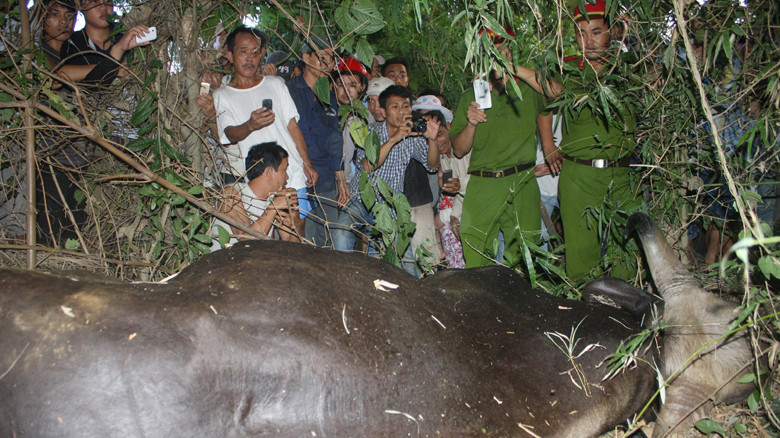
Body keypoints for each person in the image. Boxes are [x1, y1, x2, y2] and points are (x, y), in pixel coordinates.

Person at [514, 0, 641, 280]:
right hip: (579, 175)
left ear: (615, 31)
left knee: (628, 251)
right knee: (582, 256)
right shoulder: (570, 70)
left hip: (623, 176)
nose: (589, 41)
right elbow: (551, 98)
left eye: (596, 32)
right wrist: (548, 145)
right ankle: (583, 314)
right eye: (581, 34)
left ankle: (628, 313)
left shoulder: (631, 70)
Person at [450, 28, 549, 268]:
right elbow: (459, 150)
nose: (494, 55)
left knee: (524, 253)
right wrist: (472, 122)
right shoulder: (470, 96)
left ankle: (519, 302)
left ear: (511, 51)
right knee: (473, 245)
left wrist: (513, 71)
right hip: (483, 184)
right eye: (487, 50)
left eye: (500, 48)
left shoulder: (528, 89)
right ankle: (482, 303)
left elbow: (557, 92)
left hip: (521, 182)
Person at [213, 25, 316, 238]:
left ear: (262, 55)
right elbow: (228, 135)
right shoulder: (222, 95)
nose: (250, 58)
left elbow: (292, 126)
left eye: (255, 52)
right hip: (258, 183)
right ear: (229, 55)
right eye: (243, 51)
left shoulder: (276, 84)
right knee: (257, 242)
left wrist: (307, 164)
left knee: (294, 240)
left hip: (290, 174)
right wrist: (250, 124)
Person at [333, 85, 441, 274]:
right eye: (395, 106)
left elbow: (432, 165)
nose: (402, 112)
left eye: (406, 106)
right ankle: (343, 277)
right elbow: (367, 165)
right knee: (341, 232)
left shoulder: (413, 136)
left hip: (389, 209)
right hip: (361, 200)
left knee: (403, 261)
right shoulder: (369, 131)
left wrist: (432, 140)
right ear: (382, 111)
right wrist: (394, 139)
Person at [286, 34, 341, 246]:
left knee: (331, 238)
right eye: (323, 57)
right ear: (306, 57)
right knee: (303, 239)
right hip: (298, 176)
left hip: (326, 177)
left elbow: (334, 135)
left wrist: (339, 175)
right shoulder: (289, 90)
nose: (329, 64)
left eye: (332, 59)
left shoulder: (331, 95)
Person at [212, 142, 299, 248]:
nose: (287, 177)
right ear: (269, 172)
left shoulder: (275, 199)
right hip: (224, 261)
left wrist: (297, 224)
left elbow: (293, 250)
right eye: (284, 170)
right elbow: (245, 242)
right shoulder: (231, 193)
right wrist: (272, 208)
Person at [59, 0, 152, 88]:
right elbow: (84, 86)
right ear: (79, 5)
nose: (103, 7)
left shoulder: (127, 34)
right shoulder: (72, 44)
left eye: (107, 1)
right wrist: (116, 68)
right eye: (94, 1)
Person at [330, 57, 369, 208]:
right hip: (327, 185)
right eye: (341, 85)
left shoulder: (366, 118)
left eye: (352, 85)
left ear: (362, 87)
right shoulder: (326, 115)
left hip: (353, 187)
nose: (346, 90)